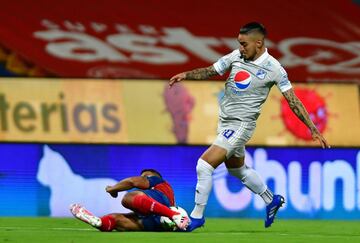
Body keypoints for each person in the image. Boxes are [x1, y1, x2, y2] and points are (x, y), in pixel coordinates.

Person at [169, 22, 330, 232]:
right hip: (226, 122)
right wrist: (186, 74)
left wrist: (313, 127)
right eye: (239, 43)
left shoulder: (274, 69)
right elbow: (211, 71)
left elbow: (293, 100)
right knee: (237, 170)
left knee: (204, 166)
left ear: (259, 43)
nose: (241, 48)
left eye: (244, 44)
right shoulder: (236, 56)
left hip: (241, 125)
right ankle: (271, 199)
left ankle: (196, 217)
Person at [70, 169, 189, 232]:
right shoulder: (168, 196)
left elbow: (132, 182)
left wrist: (113, 189)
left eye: (144, 176)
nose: (143, 178)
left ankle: (174, 215)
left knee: (128, 198)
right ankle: (100, 222)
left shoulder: (159, 182)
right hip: (158, 223)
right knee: (117, 219)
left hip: (164, 210)